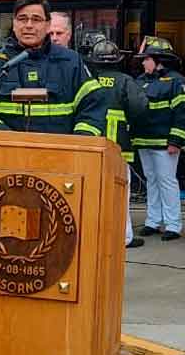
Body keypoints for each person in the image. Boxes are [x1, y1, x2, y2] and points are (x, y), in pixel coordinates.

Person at [0, 0, 106, 137]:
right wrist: (4, 137)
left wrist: (81, 143)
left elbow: (94, 107)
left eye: (36, 19)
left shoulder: (70, 61)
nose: (28, 25)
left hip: (60, 157)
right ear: (14, 23)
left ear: (48, 25)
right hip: (6, 156)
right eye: (22, 19)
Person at [80, 35, 148, 249]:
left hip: (90, 146)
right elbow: (140, 108)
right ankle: (124, 237)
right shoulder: (125, 81)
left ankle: (90, 235)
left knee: (90, 192)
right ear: (118, 60)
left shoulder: (85, 80)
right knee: (121, 194)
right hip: (119, 148)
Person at [131, 36, 185, 241]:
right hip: (143, 141)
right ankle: (153, 221)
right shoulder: (138, 82)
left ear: (159, 60)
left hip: (165, 143)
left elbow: (182, 114)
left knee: (167, 181)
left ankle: (173, 225)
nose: (143, 62)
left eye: (146, 59)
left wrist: (176, 140)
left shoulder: (177, 82)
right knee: (151, 181)